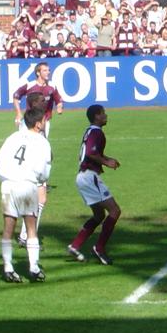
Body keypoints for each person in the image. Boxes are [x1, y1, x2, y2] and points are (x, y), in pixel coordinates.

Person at [0, 108, 52, 283]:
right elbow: (45, 169)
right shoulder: (42, 142)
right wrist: (39, 179)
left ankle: (8, 268)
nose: (45, 123)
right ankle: (34, 268)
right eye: (43, 120)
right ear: (38, 124)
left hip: (8, 184)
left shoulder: (13, 137)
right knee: (31, 227)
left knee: (8, 228)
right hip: (27, 185)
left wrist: (5, 178)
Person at [11, 61, 63, 244]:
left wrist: (59, 107)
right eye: (45, 70)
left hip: (41, 123)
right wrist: (18, 113)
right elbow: (16, 96)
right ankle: (27, 237)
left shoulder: (51, 88)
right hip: (30, 123)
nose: (48, 72)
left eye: (49, 69)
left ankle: (26, 236)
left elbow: (59, 99)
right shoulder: (29, 85)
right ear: (38, 72)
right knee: (36, 201)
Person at [67, 105, 121, 264]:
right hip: (90, 177)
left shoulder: (90, 131)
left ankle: (75, 245)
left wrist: (108, 159)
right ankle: (99, 248)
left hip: (83, 176)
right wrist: (106, 162)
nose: (106, 115)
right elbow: (91, 153)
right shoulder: (96, 132)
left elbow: (93, 152)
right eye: (103, 113)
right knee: (114, 211)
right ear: (97, 116)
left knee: (99, 215)